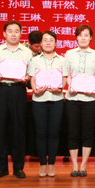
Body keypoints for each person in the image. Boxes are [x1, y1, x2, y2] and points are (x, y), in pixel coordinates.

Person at [0, 20, 33, 179]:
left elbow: (31, 74)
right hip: (1, 90)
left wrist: (25, 78)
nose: (13, 34)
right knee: (0, 129)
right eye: (10, 31)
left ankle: (18, 168)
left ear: (20, 34)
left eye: (16, 31)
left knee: (19, 129)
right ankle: (1, 168)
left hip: (18, 91)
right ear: (4, 34)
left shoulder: (27, 52)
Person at [63, 24, 95, 177]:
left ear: (91, 37)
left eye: (86, 35)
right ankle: (74, 165)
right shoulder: (69, 54)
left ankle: (84, 165)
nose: (83, 38)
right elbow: (67, 75)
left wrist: (93, 88)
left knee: (87, 132)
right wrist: (70, 86)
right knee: (73, 132)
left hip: (89, 99)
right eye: (80, 35)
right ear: (76, 37)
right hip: (72, 99)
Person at [28, 31, 66, 177]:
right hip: (39, 100)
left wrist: (60, 87)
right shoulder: (34, 60)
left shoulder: (62, 60)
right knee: (41, 133)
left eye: (51, 40)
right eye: (45, 40)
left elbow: (64, 79)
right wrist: (35, 89)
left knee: (54, 133)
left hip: (56, 100)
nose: (48, 43)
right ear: (41, 43)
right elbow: (32, 78)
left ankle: (52, 164)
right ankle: (43, 164)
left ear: (56, 43)